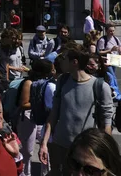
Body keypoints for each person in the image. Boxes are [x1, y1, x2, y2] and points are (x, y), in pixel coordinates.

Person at [38, 47, 114, 176]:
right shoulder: (62, 81)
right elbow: (53, 114)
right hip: (60, 145)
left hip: (86, 150)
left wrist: (105, 152)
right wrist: (44, 143)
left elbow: (107, 123)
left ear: (74, 62)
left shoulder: (100, 86)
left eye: (65, 60)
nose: (61, 63)